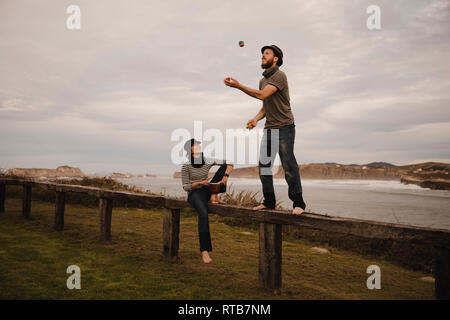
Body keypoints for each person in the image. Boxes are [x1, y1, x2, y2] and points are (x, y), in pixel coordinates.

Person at [224, 44, 306, 215]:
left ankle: (298, 204)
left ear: (275, 59)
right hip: (269, 128)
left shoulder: (280, 76)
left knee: (288, 165)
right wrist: (255, 119)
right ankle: (269, 202)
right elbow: (265, 105)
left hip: (285, 127)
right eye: (262, 53)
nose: (262, 55)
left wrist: (238, 86)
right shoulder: (262, 81)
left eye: (266, 53)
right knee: (264, 166)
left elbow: (263, 95)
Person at [181, 138, 234, 264]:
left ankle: (214, 195)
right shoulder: (186, 166)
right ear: (190, 150)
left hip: (207, 189)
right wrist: (200, 182)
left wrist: (225, 176)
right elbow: (185, 187)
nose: (199, 146)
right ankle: (204, 251)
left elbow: (230, 162)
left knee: (224, 166)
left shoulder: (207, 160)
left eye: (199, 144)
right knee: (203, 214)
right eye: (195, 145)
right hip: (194, 194)